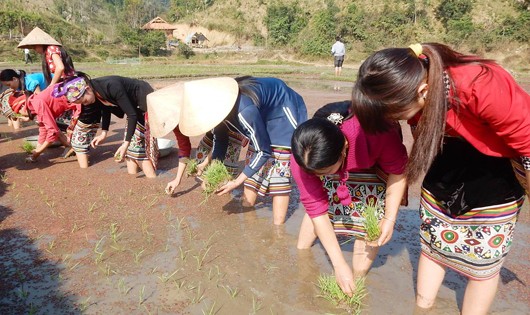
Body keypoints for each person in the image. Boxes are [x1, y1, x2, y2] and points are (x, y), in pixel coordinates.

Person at [351, 42, 530, 314]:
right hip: (448, 160)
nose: (395, 121)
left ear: (422, 91)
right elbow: (422, 138)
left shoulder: (481, 85)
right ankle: (422, 308)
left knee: (483, 265)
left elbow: (527, 143)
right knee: (434, 247)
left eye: (395, 115)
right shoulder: (415, 82)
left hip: (498, 169)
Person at [290, 101, 408, 296]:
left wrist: (389, 218)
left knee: (370, 208)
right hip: (335, 153)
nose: (319, 177)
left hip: (371, 154)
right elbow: (316, 208)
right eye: (315, 173)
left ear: (344, 148)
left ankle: (358, 278)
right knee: (317, 201)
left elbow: (399, 171)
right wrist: (338, 264)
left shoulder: (378, 131)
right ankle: (302, 256)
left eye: (325, 172)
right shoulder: (304, 154)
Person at [177, 76, 308, 225]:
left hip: (283, 110)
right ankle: (248, 214)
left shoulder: (244, 111)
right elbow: (221, 141)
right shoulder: (219, 111)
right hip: (261, 113)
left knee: (279, 170)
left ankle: (278, 229)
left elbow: (264, 151)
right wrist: (210, 169)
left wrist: (236, 181)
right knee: (252, 163)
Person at [146, 82, 250, 195]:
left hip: (231, 129)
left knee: (217, 179)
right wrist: (177, 180)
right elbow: (184, 149)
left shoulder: (200, 105)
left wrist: (206, 163)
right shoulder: (174, 121)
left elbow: (221, 139)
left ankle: (226, 193)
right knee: (201, 153)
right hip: (215, 133)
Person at [55, 74, 157, 177]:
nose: (86, 104)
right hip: (133, 108)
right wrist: (104, 133)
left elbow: (132, 115)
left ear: (87, 88)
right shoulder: (96, 89)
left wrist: (125, 144)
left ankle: (152, 180)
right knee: (130, 150)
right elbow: (106, 107)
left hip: (143, 100)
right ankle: (134, 180)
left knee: (138, 147)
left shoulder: (111, 86)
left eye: (85, 101)